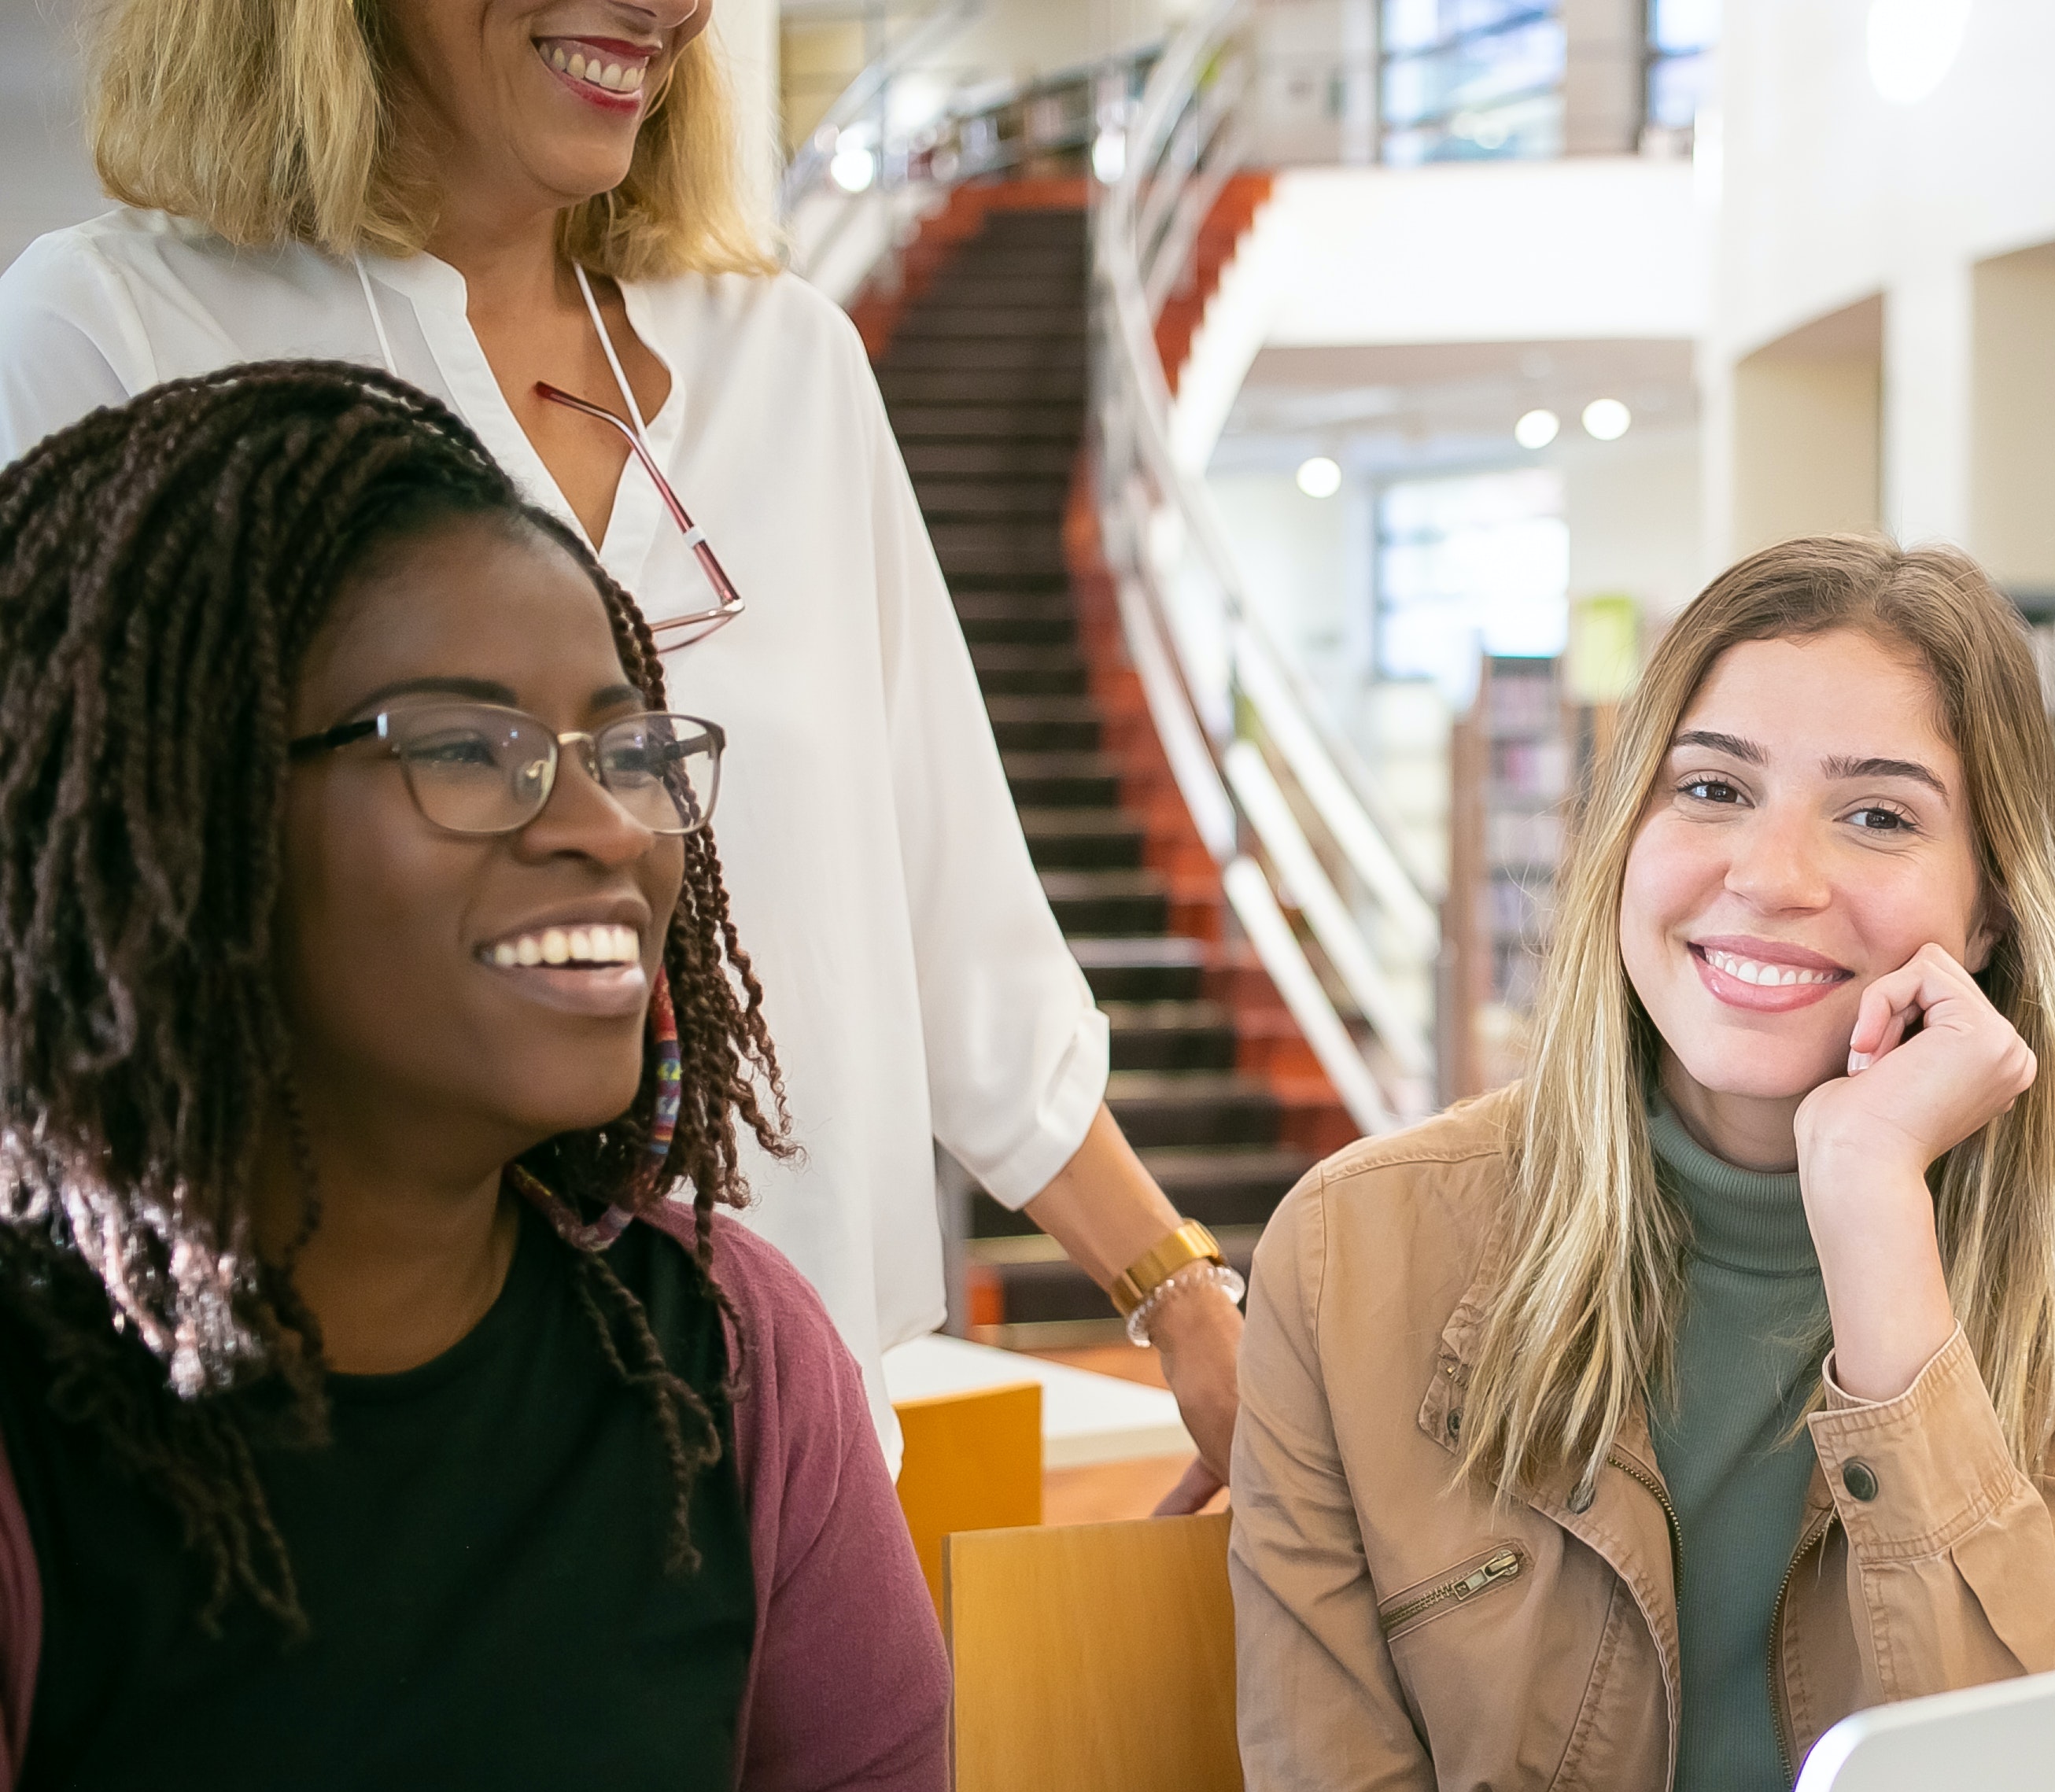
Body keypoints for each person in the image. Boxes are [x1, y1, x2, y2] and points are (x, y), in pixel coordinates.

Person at [0, 0, 1245, 1498]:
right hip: (325, 1465)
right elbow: (79, 967)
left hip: (789, 1457)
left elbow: (950, 917)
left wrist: (1181, 1296)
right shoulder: (125, 331)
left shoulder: (790, 363)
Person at [0, 363, 966, 1792]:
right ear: (182, 818)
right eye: (463, 746)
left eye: (630, 747)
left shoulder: (733, 1359)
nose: (603, 821)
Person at [1132, 535, 2055, 1792]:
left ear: (1987, 914)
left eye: (1877, 814)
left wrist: (1874, 1224)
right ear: (1621, 845)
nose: (1771, 876)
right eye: (1711, 789)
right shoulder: (1355, 1247)